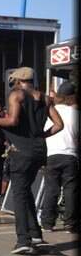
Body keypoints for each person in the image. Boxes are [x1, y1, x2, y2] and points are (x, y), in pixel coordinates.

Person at [0, 66, 63, 253]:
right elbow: (59, 125)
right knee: (26, 191)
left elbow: (12, 121)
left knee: (19, 195)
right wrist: (41, 135)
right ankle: (36, 235)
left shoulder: (17, 95)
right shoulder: (46, 99)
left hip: (21, 152)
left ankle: (23, 240)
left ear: (18, 81)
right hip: (39, 151)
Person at [41, 82, 78, 233]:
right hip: (70, 154)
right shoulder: (76, 114)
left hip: (52, 154)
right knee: (71, 190)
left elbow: (44, 133)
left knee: (51, 189)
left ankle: (47, 222)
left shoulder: (51, 112)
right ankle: (70, 223)